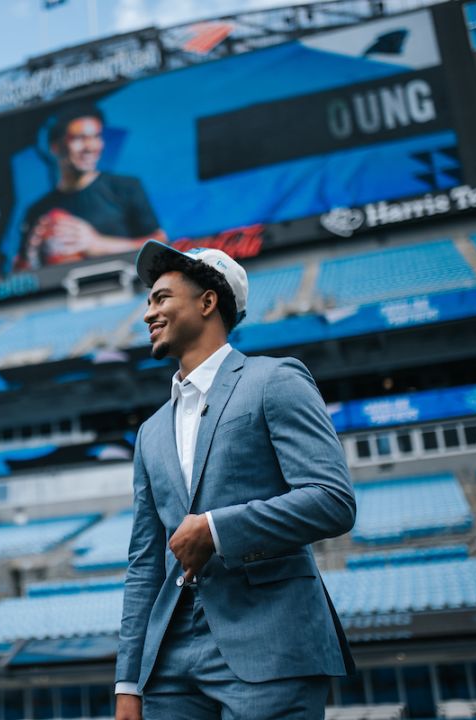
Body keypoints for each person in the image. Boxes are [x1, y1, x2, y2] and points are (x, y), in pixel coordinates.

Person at [116, 242, 356, 720]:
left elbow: (332, 500)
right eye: (148, 302)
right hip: (169, 664)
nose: (148, 313)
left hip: (270, 645)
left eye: (161, 298)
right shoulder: (149, 432)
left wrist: (215, 529)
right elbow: (145, 562)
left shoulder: (275, 380)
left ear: (207, 302)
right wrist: (129, 680)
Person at [13, 103, 166, 270]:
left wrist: (98, 245)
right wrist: (31, 257)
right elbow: (21, 277)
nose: (90, 147)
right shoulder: (38, 211)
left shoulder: (126, 187)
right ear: (55, 147)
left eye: (96, 137)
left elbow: (161, 244)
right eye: (78, 138)